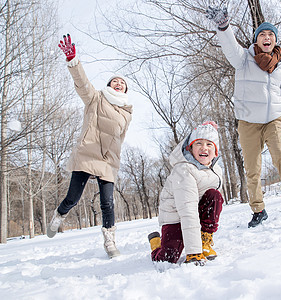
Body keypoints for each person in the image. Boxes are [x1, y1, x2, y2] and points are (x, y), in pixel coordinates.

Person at [206, 7, 281, 228]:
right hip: (248, 122)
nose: (267, 38)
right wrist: (224, 27)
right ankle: (258, 210)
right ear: (257, 39)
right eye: (263, 35)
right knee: (252, 169)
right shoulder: (244, 59)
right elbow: (230, 47)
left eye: (271, 35)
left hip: (273, 120)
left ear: (275, 41)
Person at [47, 34, 133, 258]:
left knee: (107, 203)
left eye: (122, 83)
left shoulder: (126, 112)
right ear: (109, 85)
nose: (119, 83)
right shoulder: (96, 98)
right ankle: (59, 214)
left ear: (125, 90)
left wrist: (113, 158)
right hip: (87, 152)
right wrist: (73, 61)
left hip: (108, 160)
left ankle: (110, 243)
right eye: (115, 81)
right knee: (73, 198)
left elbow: (120, 138)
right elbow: (83, 84)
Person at [148, 121, 224, 266]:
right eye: (198, 143)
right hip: (175, 216)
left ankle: (204, 242)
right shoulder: (184, 170)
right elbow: (188, 211)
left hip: (195, 213)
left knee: (214, 196)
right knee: (168, 258)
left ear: (215, 151)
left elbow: (213, 207)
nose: (204, 148)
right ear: (190, 148)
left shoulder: (217, 171)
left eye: (209, 144)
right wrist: (193, 253)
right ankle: (156, 243)